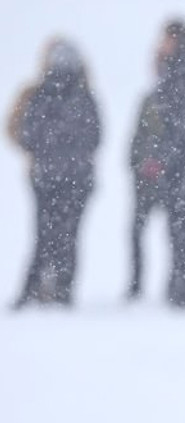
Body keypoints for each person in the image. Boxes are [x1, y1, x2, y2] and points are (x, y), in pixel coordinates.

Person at [8, 38, 101, 309]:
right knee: (67, 236)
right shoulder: (82, 96)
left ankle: (35, 289)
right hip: (75, 179)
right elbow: (95, 137)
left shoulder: (40, 94)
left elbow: (25, 134)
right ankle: (60, 289)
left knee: (45, 235)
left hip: (46, 178)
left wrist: (47, 154)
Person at [127, 19, 185, 309]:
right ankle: (180, 287)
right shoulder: (175, 72)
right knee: (178, 225)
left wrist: (162, 156)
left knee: (181, 225)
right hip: (178, 160)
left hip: (183, 161)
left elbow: (181, 125)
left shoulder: (183, 74)